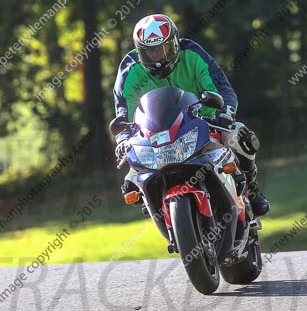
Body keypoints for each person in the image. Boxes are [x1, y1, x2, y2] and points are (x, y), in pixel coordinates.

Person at [112, 13, 270, 217]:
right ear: (140, 51)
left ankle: (252, 189)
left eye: (163, 48)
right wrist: (124, 138)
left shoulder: (192, 54)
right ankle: (159, 209)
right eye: (150, 51)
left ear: (175, 43)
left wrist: (225, 113)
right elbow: (123, 113)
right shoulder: (129, 70)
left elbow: (222, 88)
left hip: (204, 123)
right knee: (132, 180)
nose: (158, 56)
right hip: (155, 138)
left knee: (241, 138)